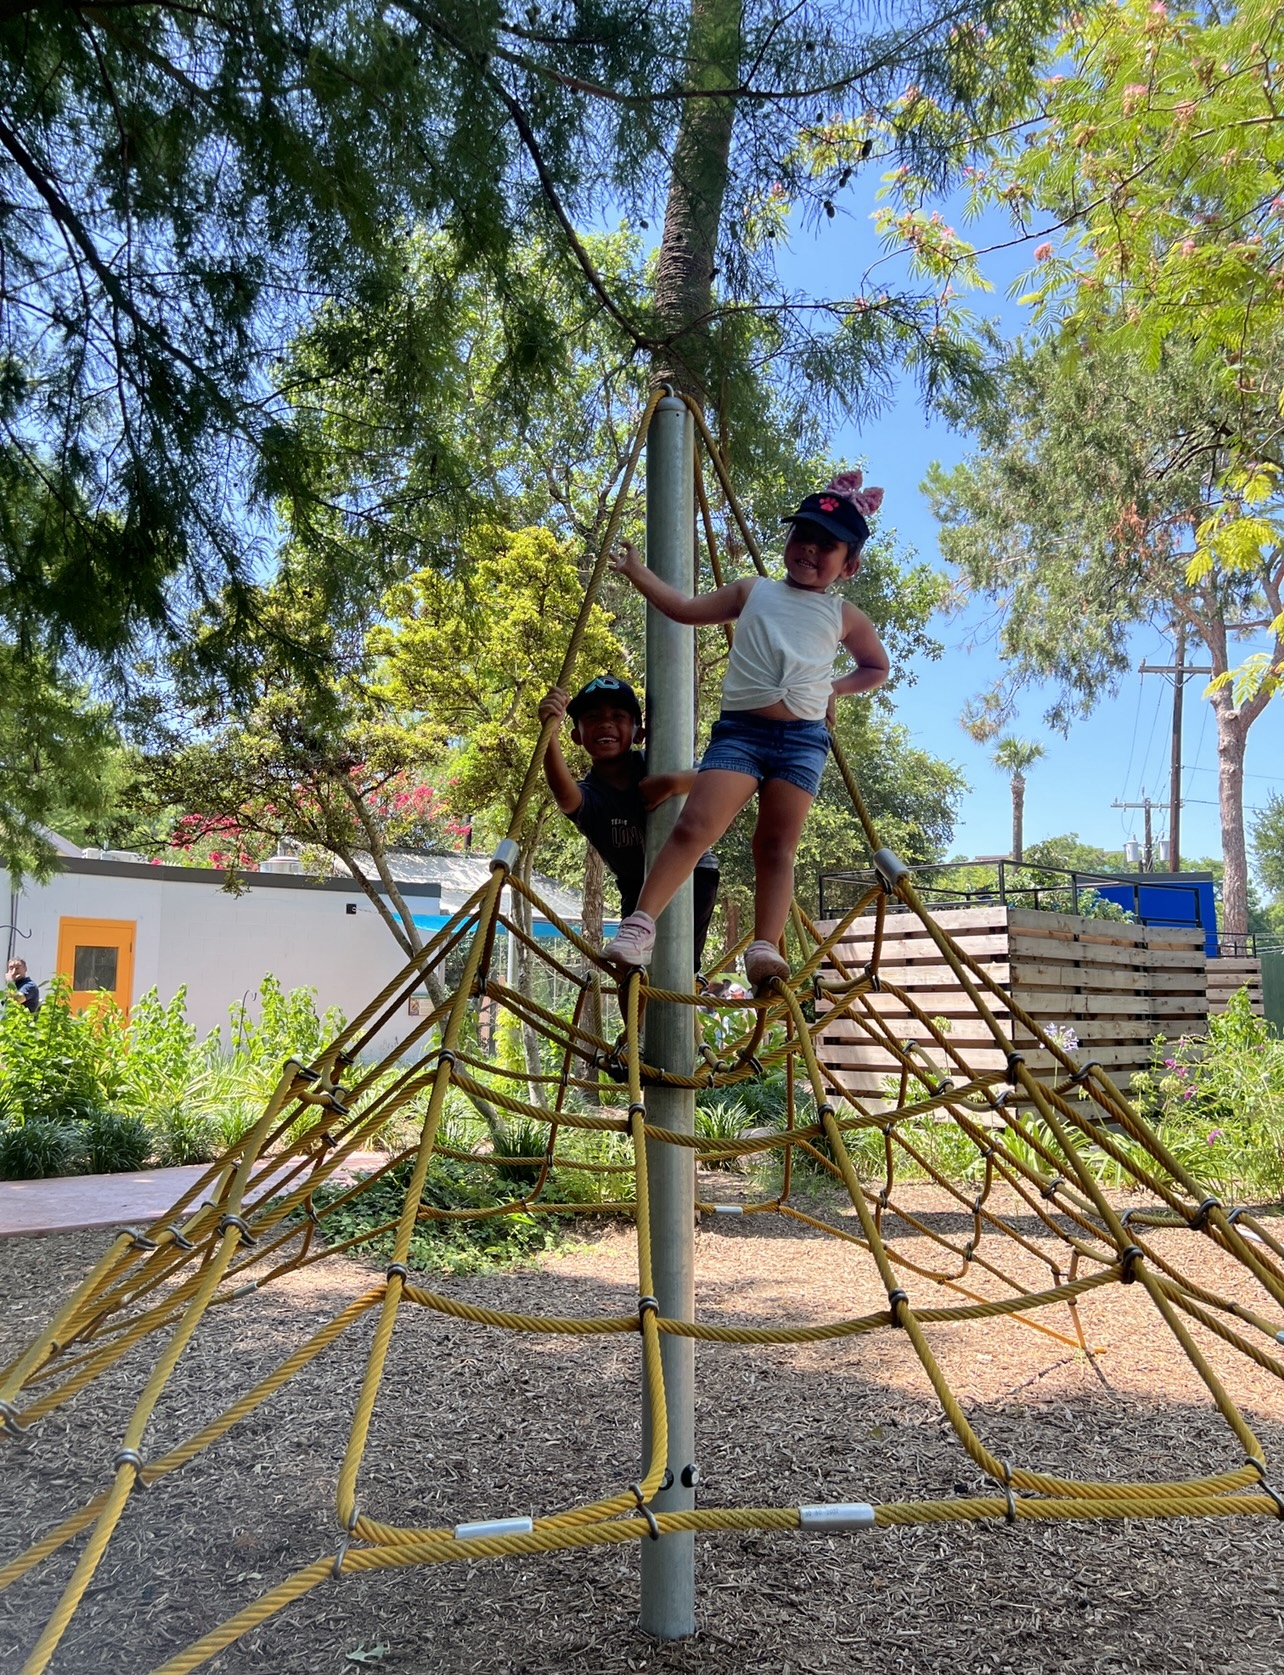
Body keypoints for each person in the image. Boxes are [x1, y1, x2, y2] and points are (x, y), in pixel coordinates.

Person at [602, 471, 890, 988]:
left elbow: (875, 667)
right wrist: (637, 573)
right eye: (802, 535)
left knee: (775, 846)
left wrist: (834, 688)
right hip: (741, 735)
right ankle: (640, 926)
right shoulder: (753, 590)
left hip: (802, 743)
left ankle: (764, 947)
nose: (809, 548)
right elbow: (685, 610)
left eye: (826, 545)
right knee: (694, 826)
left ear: (849, 565)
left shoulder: (844, 615)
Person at [538, 675, 720, 969]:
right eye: (592, 717)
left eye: (618, 716)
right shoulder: (592, 795)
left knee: (680, 966)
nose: (605, 724)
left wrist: (672, 783)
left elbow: (720, 778)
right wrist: (549, 734)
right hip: (634, 884)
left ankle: (686, 989)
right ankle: (638, 1002)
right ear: (577, 736)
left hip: (693, 873)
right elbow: (564, 795)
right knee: (630, 968)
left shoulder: (658, 765)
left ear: (639, 733)